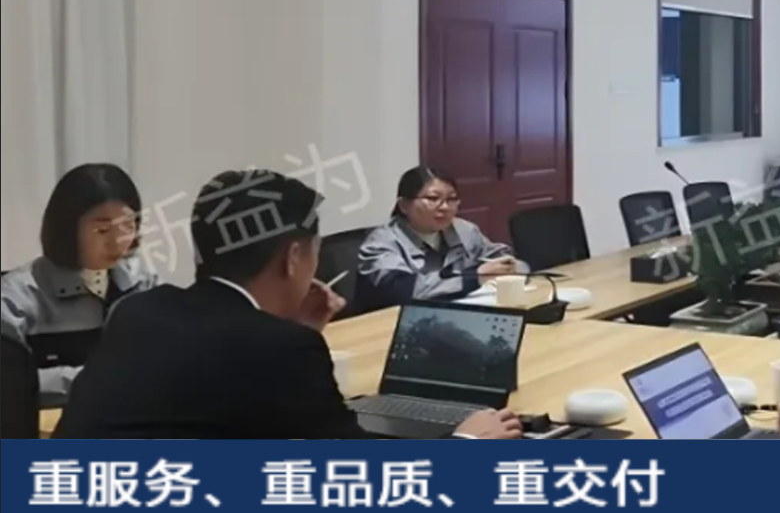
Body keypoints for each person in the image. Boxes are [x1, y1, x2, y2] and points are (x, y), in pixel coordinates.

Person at [54, 169, 520, 439]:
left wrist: (294, 330)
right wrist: (466, 441)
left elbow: (234, 393)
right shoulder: (282, 349)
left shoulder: (140, 310)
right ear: (294, 257)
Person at [0, 164, 158, 400]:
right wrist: (96, 379)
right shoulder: (16, 299)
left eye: (127, 226)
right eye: (102, 230)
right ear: (67, 228)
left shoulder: (144, 285)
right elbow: (8, 380)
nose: (117, 241)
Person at [356, 166, 526, 310]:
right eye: (433, 198)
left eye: (452, 199)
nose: (445, 207)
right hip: (388, 322)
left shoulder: (464, 229)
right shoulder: (381, 243)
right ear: (404, 205)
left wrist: (509, 266)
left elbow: (500, 256)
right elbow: (404, 291)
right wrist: (474, 277)